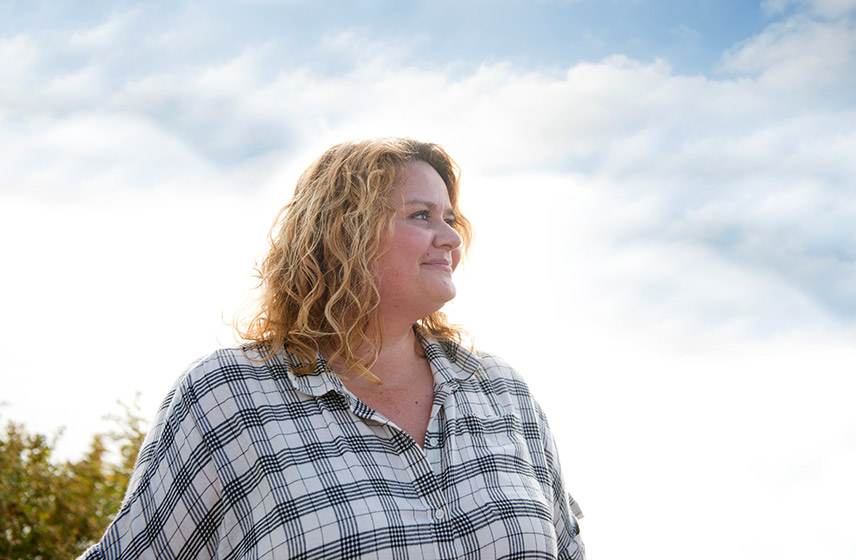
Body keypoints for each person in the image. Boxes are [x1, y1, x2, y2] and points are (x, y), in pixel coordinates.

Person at [79, 137, 585, 559]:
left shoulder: (501, 392)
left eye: (450, 217)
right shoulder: (228, 398)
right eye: (422, 215)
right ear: (346, 232)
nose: (450, 237)